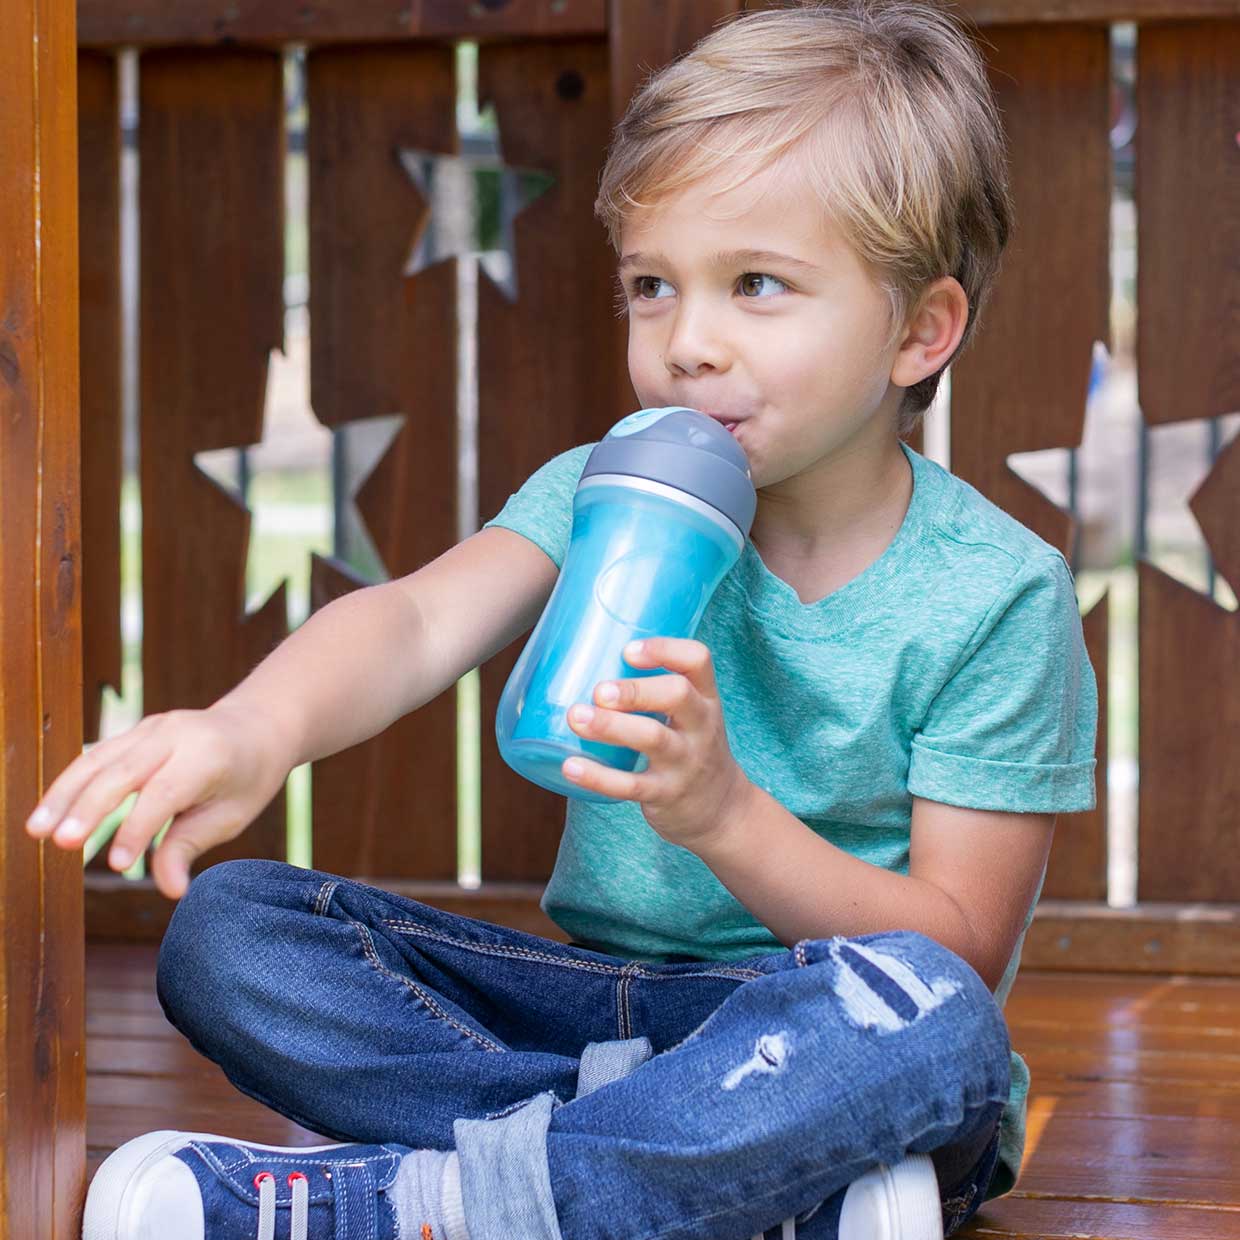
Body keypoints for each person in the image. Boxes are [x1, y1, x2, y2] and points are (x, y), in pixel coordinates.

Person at [29, 3, 1097, 1238]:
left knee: (933, 1026)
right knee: (232, 932)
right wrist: (252, 729)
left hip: (819, 1032)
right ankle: (698, 1184)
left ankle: (428, 1201)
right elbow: (420, 618)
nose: (686, 344)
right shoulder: (612, 481)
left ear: (920, 329)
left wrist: (723, 819)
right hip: (586, 1012)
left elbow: (953, 952)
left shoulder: (994, 594)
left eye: (756, 284)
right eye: (652, 286)